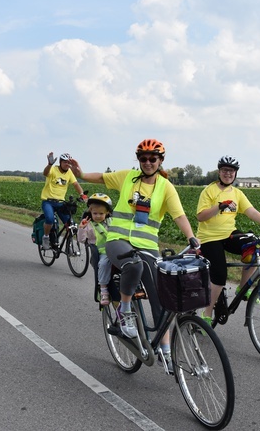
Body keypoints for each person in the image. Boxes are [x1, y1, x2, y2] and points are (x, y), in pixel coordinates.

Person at [71, 139, 199, 369]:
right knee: (134, 265)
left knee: (161, 297)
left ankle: (166, 351)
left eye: (153, 159)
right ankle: (125, 311)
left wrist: (192, 238)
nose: (148, 162)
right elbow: (101, 177)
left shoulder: (165, 187)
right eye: (143, 158)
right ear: (138, 160)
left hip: (147, 246)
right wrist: (80, 174)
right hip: (117, 242)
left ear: (161, 161)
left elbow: (179, 215)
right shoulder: (127, 177)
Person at [195, 155, 260, 325]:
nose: (228, 174)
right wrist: (219, 206)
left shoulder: (237, 193)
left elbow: (251, 211)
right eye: (225, 170)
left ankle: (242, 288)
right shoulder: (209, 191)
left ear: (235, 174)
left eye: (231, 171)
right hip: (209, 238)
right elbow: (200, 216)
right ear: (219, 172)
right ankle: (206, 315)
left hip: (229, 234)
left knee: (255, 246)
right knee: (219, 276)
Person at [40, 152, 87, 250]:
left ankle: (69, 245)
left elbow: (76, 184)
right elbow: (45, 173)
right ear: (60, 162)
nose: (67, 164)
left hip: (61, 203)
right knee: (49, 219)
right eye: (65, 162)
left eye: (69, 163)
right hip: (48, 201)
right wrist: (49, 164)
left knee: (70, 224)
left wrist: (82, 195)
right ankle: (46, 237)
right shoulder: (53, 169)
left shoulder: (69, 172)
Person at [77, 193, 113, 306]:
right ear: (90, 213)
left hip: (116, 249)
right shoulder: (89, 225)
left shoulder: (112, 221)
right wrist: (82, 228)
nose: (97, 216)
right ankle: (103, 290)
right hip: (103, 253)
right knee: (103, 264)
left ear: (107, 213)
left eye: (101, 213)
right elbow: (81, 239)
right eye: (95, 213)